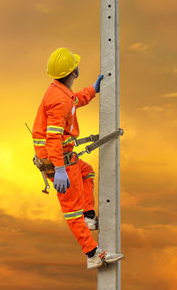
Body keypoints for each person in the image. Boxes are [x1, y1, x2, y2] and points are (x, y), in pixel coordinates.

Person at [32, 47, 124, 269]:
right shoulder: (60, 100)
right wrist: (60, 169)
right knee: (72, 210)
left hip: (61, 157)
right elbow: (53, 138)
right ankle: (93, 254)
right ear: (74, 71)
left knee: (87, 171)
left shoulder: (59, 90)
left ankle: (89, 216)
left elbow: (75, 100)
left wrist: (93, 90)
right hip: (58, 159)